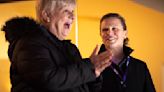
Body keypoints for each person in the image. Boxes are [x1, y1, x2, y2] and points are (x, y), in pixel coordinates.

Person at [1, 0, 112, 92]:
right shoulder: (29, 44)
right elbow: (48, 80)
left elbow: (85, 86)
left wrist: (95, 76)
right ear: (47, 15)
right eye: (66, 11)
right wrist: (90, 68)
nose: (73, 17)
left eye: (73, 11)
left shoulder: (70, 48)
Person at [98, 13, 156, 92]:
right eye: (105, 29)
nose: (109, 33)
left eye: (114, 28)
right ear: (100, 34)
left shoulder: (140, 67)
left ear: (125, 33)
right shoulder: (91, 66)